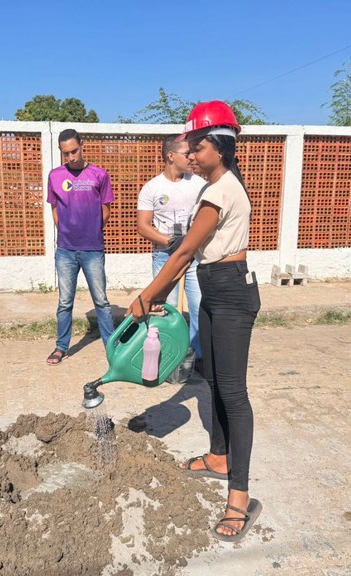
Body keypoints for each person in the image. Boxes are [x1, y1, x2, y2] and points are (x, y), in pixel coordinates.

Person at [127, 101, 261, 542]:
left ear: (218, 147)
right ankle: (219, 457)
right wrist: (161, 289)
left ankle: (239, 497)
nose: (190, 155)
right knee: (216, 384)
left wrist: (148, 295)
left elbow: (182, 252)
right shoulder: (222, 185)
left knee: (234, 394)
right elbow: (190, 251)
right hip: (217, 283)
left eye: (197, 146)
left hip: (230, 292)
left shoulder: (219, 191)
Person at [46, 129, 115, 365]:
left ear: (82, 146)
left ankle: (111, 346)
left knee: (102, 302)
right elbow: (54, 207)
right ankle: (61, 346)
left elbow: (106, 208)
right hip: (65, 250)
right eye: (66, 153)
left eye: (74, 151)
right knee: (65, 302)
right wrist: (64, 228)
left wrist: (93, 228)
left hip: (93, 249)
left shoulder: (99, 174)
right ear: (61, 152)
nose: (71, 157)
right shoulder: (54, 176)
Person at [136, 135, 206, 364]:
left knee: (198, 307)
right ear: (171, 156)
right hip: (164, 255)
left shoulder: (197, 184)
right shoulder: (152, 188)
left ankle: (198, 358)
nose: (191, 158)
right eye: (187, 154)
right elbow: (143, 226)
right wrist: (169, 241)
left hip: (195, 256)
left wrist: (190, 243)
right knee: (165, 309)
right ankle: (168, 358)